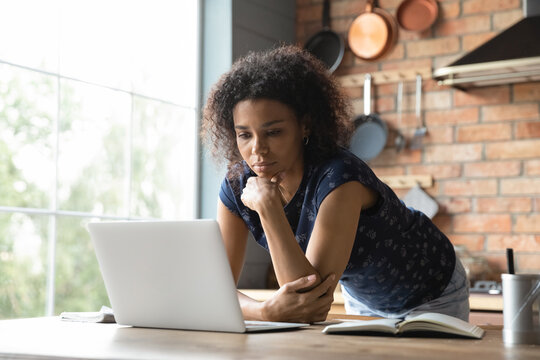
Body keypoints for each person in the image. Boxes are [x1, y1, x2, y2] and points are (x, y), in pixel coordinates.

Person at [201, 45, 469, 324]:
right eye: (244, 135)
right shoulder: (237, 186)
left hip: (431, 289)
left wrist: (269, 208)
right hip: (364, 298)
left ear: (304, 126)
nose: (258, 150)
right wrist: (264, 310)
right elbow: (214, 290)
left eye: (274, 132)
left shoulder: (340, 177)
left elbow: (308, 300)